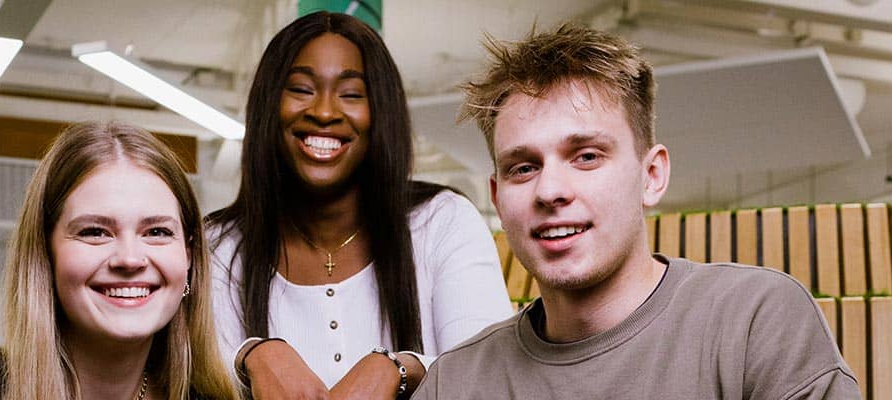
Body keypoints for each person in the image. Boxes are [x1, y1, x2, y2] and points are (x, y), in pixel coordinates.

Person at [409, 24, 858, 399]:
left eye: (586, 156)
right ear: (497, 198)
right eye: (523, 168)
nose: (550, 190)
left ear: (652, 175)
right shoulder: (455, 384)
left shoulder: (751, 322)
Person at [212, 11, 514, 399]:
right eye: (301, 89)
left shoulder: (442, 222)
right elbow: (180, 365)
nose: (323, 112)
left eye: (352, 94)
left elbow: (490, 370)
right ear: (268, 106)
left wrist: (402, 367)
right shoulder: (217, 245)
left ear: (381, 114)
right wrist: (251, 355)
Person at [0, 121, 240, 400]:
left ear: (188, 256)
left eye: (156, 231)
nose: (129, 258)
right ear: (45, 253)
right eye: (95, 232)